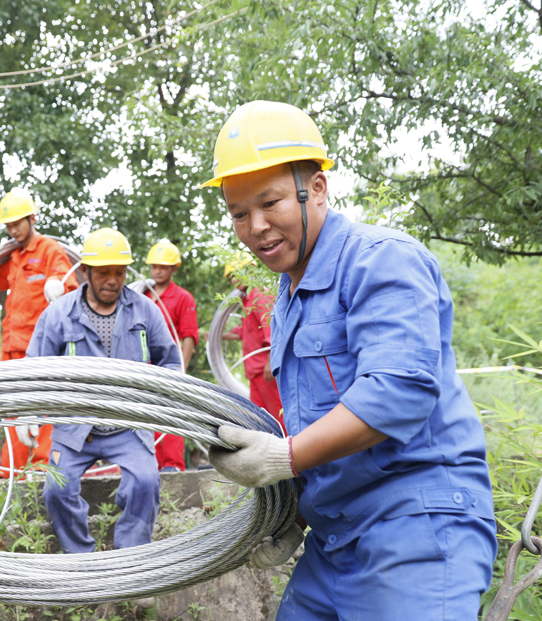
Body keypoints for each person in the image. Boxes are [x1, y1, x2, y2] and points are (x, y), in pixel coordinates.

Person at [201, 100, 496, 620]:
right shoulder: (290, 296)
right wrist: (290, 513)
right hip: (335, 539)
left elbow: (397, 393)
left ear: (316, 189)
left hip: (416, 531)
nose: (257, 227)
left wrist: (280, 457)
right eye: (240, 213)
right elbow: (319, 421)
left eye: (271, 203)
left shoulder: (380, 259)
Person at [26, 227, 182, 556]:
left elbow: (170, 363)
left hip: (127, 425)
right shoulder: (59, 313)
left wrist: (164, 405)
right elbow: (33, 369)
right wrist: (30, 412)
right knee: (56, 488)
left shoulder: (145, 311)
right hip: (73, 428)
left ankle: (130, 559)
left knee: (145, 481)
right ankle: (82, 562)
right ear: (86, 272)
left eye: (119, 272)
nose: (112, 280)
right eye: (104, 272)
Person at [0, 189, 79, 476]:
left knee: (42, 404)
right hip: (12, 345)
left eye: (17, 223)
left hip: (41, 346)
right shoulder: (14, 255)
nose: (12, 230)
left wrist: (57, 284)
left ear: (32, 219)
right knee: (13, 405)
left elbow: (67, 284)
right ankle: (10, 469)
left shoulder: (49, 249)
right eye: (8, 226)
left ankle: (43, 468)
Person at [141, 240, 199, 472]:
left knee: (170, 416)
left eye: (163, 267)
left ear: (173, 269)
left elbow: (188, 336)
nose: (157, 271)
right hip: (142, 367)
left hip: (168, 367)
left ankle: (173, 466)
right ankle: (148, 465)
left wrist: (180, 371)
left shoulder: (183, 298)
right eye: (154, 266)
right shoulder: (142, 295)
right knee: (145, 417)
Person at [211, 252, 284, 428]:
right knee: (259, 418)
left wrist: (269, 362)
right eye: (231, 277)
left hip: (264, 370)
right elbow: (245, 332)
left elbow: (271, 330)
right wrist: (217, 335)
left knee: (276, 414)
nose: (235, 281)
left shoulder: (260, 295)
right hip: (254, 372)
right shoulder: (246, 301)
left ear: (250, 271)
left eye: (238, 274)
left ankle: (287, 450)